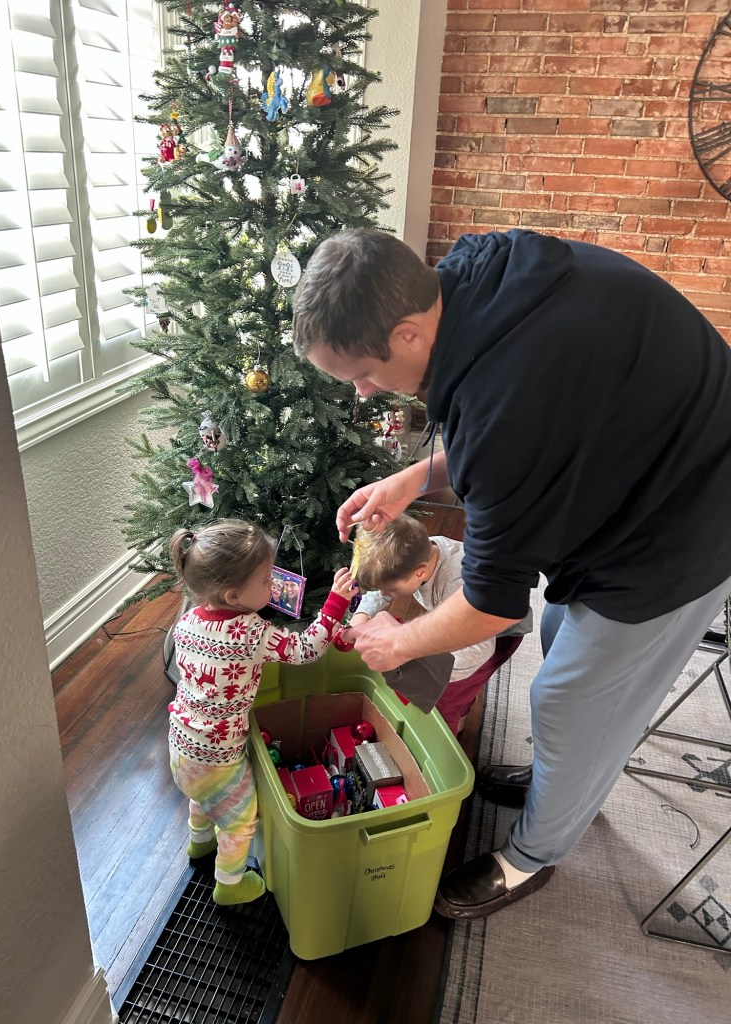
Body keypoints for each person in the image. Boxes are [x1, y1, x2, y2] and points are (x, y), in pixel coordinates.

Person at [292, 226, 731, 920]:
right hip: (640, 457)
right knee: (562, 638)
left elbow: (493, 606)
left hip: (688, 519)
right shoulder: (473, 271)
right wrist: (414, 478)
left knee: (569, 699)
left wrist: (398, 642)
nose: (367, 392)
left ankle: (532, 857)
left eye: (363, 375)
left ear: (408, 333)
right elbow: (532, 434)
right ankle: (566, 777)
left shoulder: (506, 403)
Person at [168, 519, 354, 906]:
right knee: (238, 820)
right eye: (267, 580)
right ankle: (230, 885)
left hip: (180, 746)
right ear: (234, 595)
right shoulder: (252, 633)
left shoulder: (186, 621)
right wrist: (334, 604)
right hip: (220, 757)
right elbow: (305, 649)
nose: (274, 585)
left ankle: (199, 845)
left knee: (203, 799)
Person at [349, 514, 532, 735]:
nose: (385, 594)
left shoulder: (455, 580)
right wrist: (361, 616)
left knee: (446, 696)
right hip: (465, 624)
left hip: (497, 636)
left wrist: (425, 665)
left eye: (392, 589)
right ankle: (464, 703)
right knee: (461, 688)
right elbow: (383, 584)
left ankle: (449, 734)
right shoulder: (415, 553)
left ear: (420, 572)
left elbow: (478, 650)